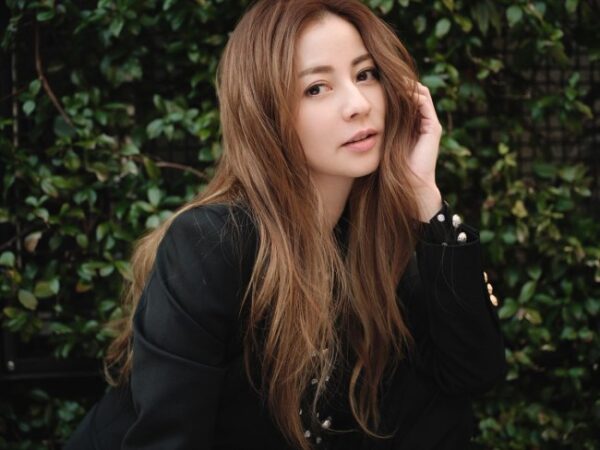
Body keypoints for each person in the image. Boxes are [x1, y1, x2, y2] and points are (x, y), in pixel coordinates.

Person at [65, 0, 506, 449]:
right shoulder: (212, 244)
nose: (358, 105)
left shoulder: (382, 239)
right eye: (316, 88)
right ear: (267, 114)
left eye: (365, 74)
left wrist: (425, 197)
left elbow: (470, 375)